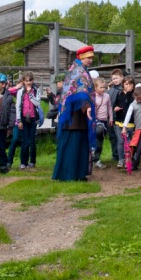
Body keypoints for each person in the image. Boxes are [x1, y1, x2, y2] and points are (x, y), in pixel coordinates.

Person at [52, 45, 96, 182]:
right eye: (88, 58)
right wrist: (87, 107)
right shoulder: (79, 72)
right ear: (82, 57)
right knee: (73, 145)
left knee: (79, 145)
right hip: (74, 118)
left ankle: (78, 173)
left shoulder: (78, 70)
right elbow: (81, 92)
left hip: (78, 117)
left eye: (92, 58)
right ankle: (70, 174)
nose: (90, 60)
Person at [14, 71, 42, 170]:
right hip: (24, 118)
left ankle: (32, 161)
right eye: (26, 81)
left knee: (32, 141)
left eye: (30, 80)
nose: (29, 82)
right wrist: (19, 120)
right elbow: (18, 106)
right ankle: (23, 162)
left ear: (33, 81)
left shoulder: (36, 90)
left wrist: (30, 94)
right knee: (25, 141)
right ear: (23, 81)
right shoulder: (20, 92)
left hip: (33, 118)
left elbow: (37, 103)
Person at [112, 76, 135, 168]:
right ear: (123, 85)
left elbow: (128, 104)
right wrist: (115, 108)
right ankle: (121, 159)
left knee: (129, 141)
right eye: (126, 84)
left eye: (130, 84)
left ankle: (128, 159)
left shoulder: (133, 95)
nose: (128, 86)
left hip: (130, 122)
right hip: (119, 121)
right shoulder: (119, 93)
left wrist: (129, 93)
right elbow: (116, 104)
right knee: (120, 141)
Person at [91, 77, 113, 169]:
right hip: (96, 120)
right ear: (95, 87)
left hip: (104, 120)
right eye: (101, 87)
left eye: (104, 87)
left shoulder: (107, 96)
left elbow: (109, 107)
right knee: (98, 131)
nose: (103, 89)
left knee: (100, 141)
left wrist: (111, 118)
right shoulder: (93, 96)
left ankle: (97, 159)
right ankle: (92, 150)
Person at [106, 70, 125, 166]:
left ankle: (122, 155)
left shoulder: (123, 89)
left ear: (121, 77)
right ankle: (115, 155)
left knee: (119, 137)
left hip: (118, 116)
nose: (115, 80)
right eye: (113, 79)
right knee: (112, 137)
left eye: (116, 78)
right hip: (110, 116)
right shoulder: (111, 89)